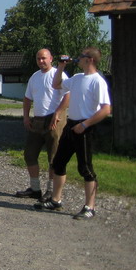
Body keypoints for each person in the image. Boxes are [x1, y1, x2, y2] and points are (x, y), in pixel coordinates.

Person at [35, 47, 111, 220]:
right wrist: (61, 66)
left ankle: (90, 207)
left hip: (85, 127)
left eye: (81, 56)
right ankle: (56, 200)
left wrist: (85, 125)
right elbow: (56, 84)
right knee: (58, 163)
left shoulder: (97, 81)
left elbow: (106, 109)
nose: (78, 58)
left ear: (90, 59)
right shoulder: (77, 78)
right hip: (71, 125)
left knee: (85, 168)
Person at [15, 49, 70, 201]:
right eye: (38, 59)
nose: (41, 61)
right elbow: (27, 98)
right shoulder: (34, 77)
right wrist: (26, 117)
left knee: (54, 157)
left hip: (54, 120)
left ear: (51, 58)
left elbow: (68, 95)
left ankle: (51, 191)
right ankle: (35, 189)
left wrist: (58, 113)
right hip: (38, 120)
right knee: (30, 154)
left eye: (44, 58)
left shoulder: (58, 74)